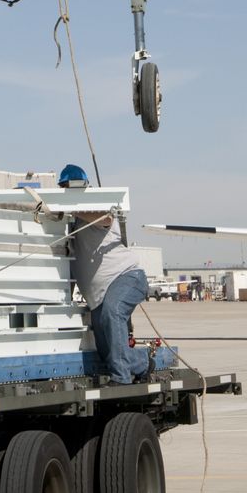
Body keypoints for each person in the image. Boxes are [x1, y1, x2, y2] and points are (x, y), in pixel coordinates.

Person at [58, 162, 150, 385]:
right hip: (99, 295)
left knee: (113, 312)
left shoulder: (97, 208)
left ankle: (122, 378)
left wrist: (72, 207)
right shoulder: (70, 226)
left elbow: (106, 218)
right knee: (106, 350)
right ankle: (143, 362)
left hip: (127, 278)